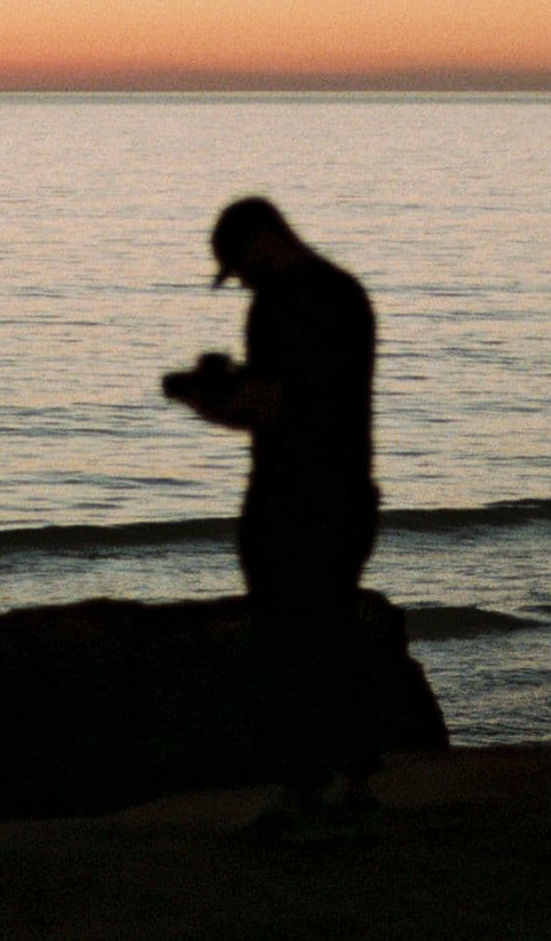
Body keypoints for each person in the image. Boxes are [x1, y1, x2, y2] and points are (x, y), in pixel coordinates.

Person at [163, 196, 382, 824]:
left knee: (285, 647)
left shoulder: (278, 305)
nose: (242, 282)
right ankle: (357, 788)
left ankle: (302, 793)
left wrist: (203, 399)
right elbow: (317, 393)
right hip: (349, 493)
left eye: (238, 267)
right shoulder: (347, 294)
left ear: (263, 241)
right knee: (334, 637)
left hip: (290, 497)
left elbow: (265, 409)